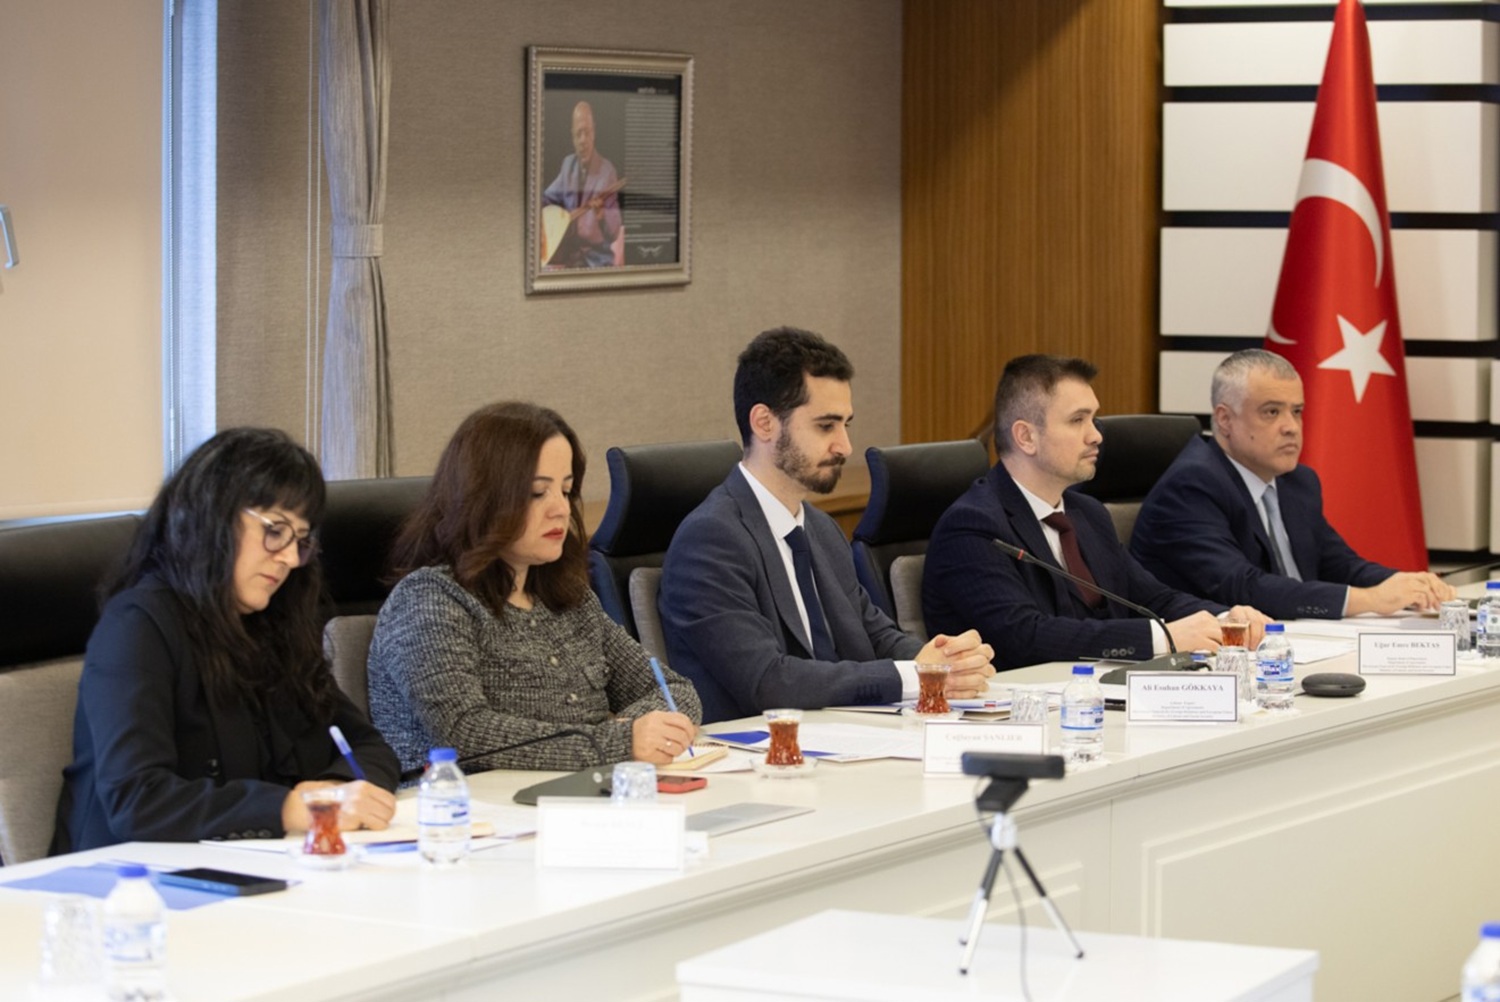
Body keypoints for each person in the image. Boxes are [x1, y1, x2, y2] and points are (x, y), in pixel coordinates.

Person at [53, 428, 399, 853]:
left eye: (301, 541)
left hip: (252, 863)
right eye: (275, 530)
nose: (291, 558)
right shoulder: (138, 625)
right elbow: (137, 800)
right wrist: (290, 808)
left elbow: (368, 746)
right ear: (212, 517)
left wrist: (335, 795)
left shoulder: (275, 627)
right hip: (123, 877)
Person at [659, 326, 996, 724]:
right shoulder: (710, 540)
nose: (845, 446)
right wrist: (917, 675)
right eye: (825, 426)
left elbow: (875, 635)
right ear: (764, 423)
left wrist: (943, 662)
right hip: (759, 748)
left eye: (845, 425)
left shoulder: (820, 528)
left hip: (844, 735)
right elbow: (769, 681)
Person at [367, 402, 700, 776]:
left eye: (566, 490)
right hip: (465, 806)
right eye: (538, 492)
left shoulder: (569, 599)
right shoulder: (430, 599)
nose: (561, 509)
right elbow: (464, 733)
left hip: (581, 794)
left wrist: (637, 733)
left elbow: (675, 691)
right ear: (483, 498)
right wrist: (618, 741)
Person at [923, 355, 1269, 670]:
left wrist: (1223, 620)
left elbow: (1154, 597)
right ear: (1026, 437)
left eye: (1094, 419)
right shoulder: (973, 526)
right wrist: (1163, 638)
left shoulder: (1087, 513)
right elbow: (1024, 636)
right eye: (1077, 420)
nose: (1096, 436)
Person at [1130, 349, 1456, 619]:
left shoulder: (1297, 481)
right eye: (1271, 412)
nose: (1291, 427)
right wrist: (1370, 599)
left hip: (1299, 641)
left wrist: (1407, 585)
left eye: (1296, 411)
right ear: (1225, 419)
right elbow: (1243, 587)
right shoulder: (1191, 486)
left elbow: (1339, 564)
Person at [540, 100, 624, 268]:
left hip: (596, 260)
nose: (583, 140)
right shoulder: (568, 165)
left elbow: (615, 231)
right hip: (570, 256)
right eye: (578, 134)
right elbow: (546, 198)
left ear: (594, 133)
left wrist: (601, 215)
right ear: (572, 137)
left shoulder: (607, 172)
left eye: (587, 132)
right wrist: (542, 221)